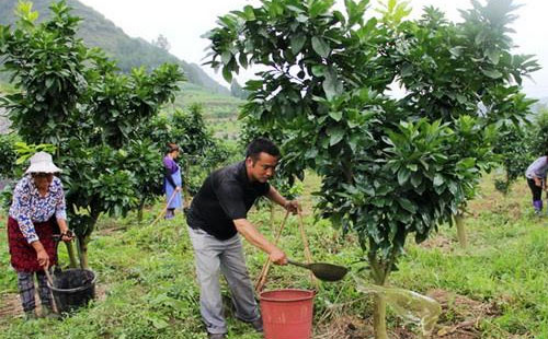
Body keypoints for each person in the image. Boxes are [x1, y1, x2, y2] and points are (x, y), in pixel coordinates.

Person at [185, 138, 299, 339]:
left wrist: (285, 203)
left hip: (228, 232)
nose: (270, 173)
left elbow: (267, 189)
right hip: (204, 231)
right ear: (249, 162)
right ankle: (216, 329)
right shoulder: (228, 182)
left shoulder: (258, 178)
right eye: (265, 167)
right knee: (209, 280)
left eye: (273, 167)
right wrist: (272, 249)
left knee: (240, 276)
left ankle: (249, 315)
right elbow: (242, 225)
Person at [7, 152, 73, 319]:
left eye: (50, 175)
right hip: (21, 229)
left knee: (45, 266)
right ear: (33, 175)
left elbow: (60, 208)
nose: (47, 181)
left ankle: (47, 306)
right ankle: (29, 312)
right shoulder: (23, 189)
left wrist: (64, 229)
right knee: (25, 271)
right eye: (43, 176)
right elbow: (24, 221)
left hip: (44, 226)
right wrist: (38, 248)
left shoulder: (56, 184)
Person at [163, 143, 183, 219]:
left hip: (175, 186)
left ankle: (171, 217)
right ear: (174, 152)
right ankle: (168, 217)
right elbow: (168, 175)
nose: (177, 155)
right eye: (177, 153)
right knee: (171, 203)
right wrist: (175, 186)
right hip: (171, 186)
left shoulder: (171, 160)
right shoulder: (167, 160)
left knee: (174, 203)